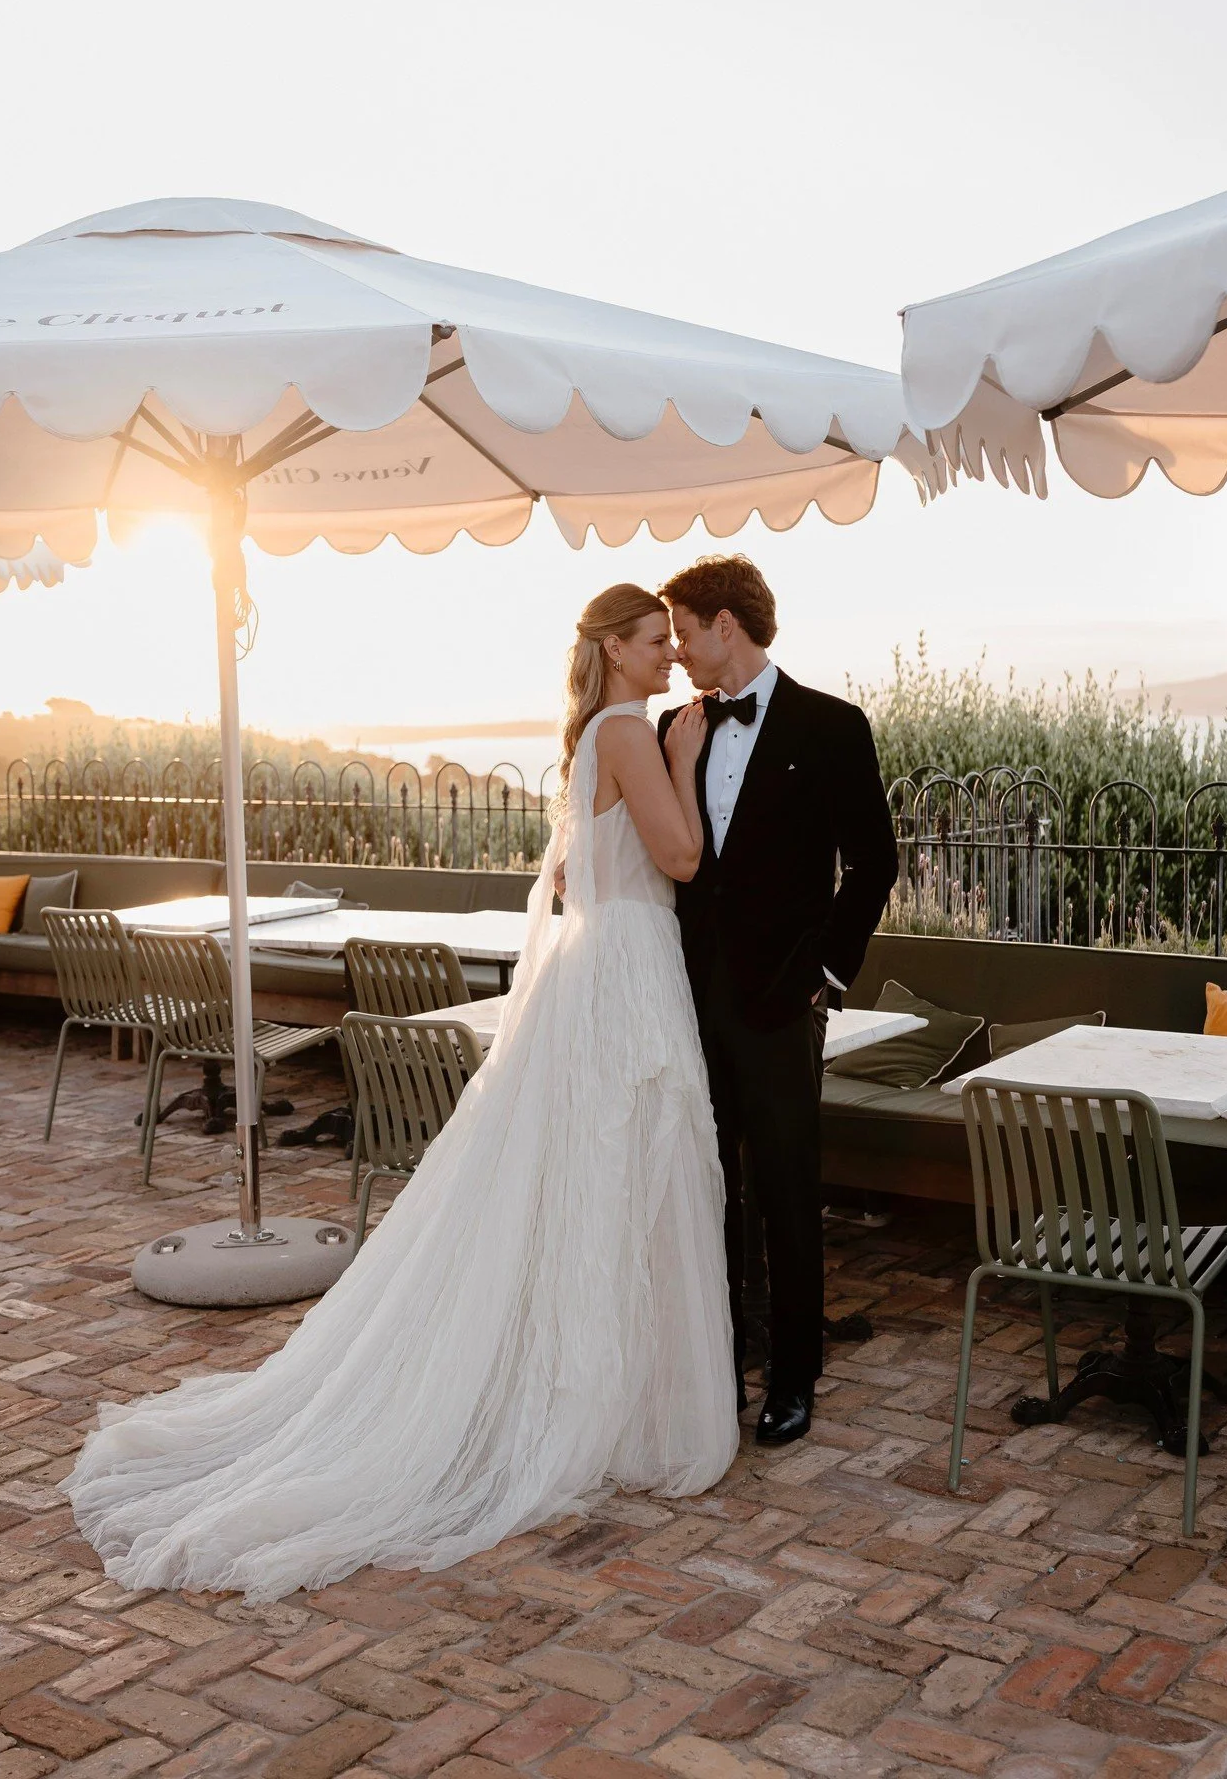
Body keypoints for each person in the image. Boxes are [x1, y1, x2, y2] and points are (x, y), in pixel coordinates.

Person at [61, 584, 738, 1604]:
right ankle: (617, 1400)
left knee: (592, 1174)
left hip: (598, 974)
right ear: (612, 648)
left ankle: (599, 1387)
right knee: (626, 1169)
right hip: (633, 970)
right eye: (653, 643)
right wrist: (687, 767)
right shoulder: (634, 735)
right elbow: (680, 857)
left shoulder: (590, 734)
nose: (669, 658)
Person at [658, 553, 898, 1448]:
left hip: (781, 1001)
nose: (677, 650)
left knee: (788, 1191)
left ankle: (794, 1377)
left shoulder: (834, 726)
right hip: (688, 999)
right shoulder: (671, 727)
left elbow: (875, 862)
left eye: (685, 631)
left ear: (728, 627)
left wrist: (826, 978)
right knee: (707, 1184)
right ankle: (719, 1363)